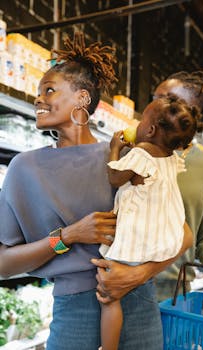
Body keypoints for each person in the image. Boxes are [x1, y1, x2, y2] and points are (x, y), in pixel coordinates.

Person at [0, 32, 192, 350]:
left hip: (139, 305)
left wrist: (137, 275)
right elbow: (4, 264)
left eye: (49, 90)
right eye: (38, 92)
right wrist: (67, 237)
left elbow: (182, 234)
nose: (38, 99)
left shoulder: (127, 159)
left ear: (82, 99)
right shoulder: (24, 169)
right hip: (73, 313)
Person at [91, 70, 203, 307]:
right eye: (154, 97)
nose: (154, 105)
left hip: (170, 295)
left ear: (190, 112)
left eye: (167, 99)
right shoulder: (129, 153)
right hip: (109, 281)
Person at [98, 93, 199, 350]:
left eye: (142, 119)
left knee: (110, 298)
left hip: (134, 242)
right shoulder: (169, 158)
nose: (138, 124)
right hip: (158, 241)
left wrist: (114, 148)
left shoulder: (141, 154)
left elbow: (115, 177)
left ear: (151, 129)